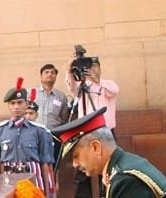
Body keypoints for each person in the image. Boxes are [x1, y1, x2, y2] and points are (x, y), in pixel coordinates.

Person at [50, 107, 166, 197]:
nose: (74, 164)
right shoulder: (120, 166)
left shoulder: (125, 180)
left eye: (76, 156)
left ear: (95, 147)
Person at [0, 77, 56, 195]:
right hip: (8, 183)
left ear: (26, 104)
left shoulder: (39, 131)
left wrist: (49, 193)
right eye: (12, 103)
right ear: (8, 106)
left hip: (33, 183)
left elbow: (46, 164)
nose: (16, 107)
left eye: (20, 102)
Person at [66, 55, 119, 198]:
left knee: (107, 168)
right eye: (89, 68)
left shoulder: (108, 84)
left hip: (105, 132)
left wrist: (97, 81)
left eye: (95, 67)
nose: (92, 70)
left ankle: (106, 195)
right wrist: (70, 70)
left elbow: (114, 91)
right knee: (83, 170)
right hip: (86, 132)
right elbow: (72, 87)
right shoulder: (83, 87)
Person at [36, 64, 70, 129]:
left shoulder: (61, 96)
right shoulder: (31, 93)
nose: (49, 74)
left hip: (54, 134)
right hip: (35, 133)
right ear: (41, 77)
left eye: (52, 72)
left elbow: (65, 118)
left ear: (55, 77)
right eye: (46, 72)